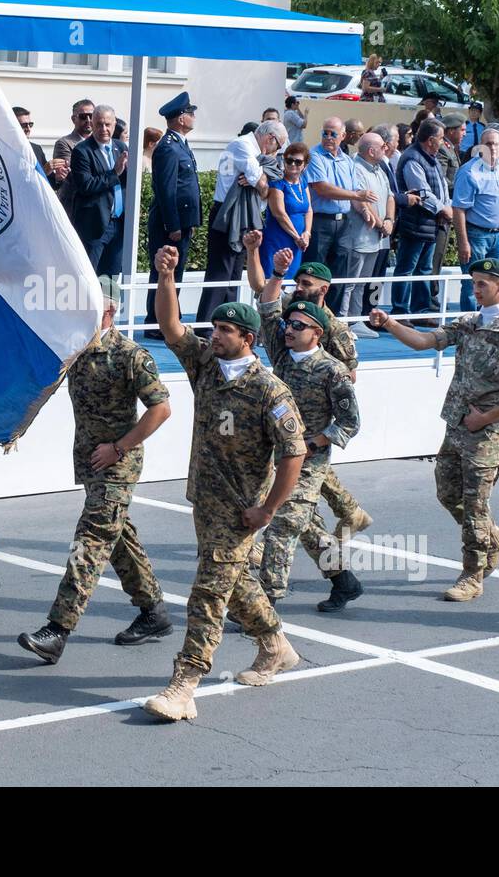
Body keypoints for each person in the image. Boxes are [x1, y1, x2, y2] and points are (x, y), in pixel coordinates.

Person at [142, 247, 306, 722]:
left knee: (208, 591)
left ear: (248, 339)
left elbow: (295, 452)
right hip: (205, 500)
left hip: (242, 509)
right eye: (214, 329)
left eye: (225, 331)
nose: (215, 336)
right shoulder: (206, 365)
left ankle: (184, 683)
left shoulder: (270, 390)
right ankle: (275, 644)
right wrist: (167, 277)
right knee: (234, 584)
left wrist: (268, 510)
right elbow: (171, 328)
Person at [17, 277, 173, 663]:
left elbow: (161, 409)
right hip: (90, 460)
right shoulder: (76, 349)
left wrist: (120, 447)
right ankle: (153, 610)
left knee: (90, 541)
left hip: (118, 464)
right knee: (118, 536)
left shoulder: (130, 356)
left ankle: (57, 630)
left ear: (109, 310)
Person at [368, 259, 499, 602]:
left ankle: (473, 575)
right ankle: (492, 536)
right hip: (458, 423)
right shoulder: (469, 323)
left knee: (475, 504)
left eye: (482, 284)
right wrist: (389, 323)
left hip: (486, 432)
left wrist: (485, 420)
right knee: (447, 494)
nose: (475, 289)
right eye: (473, 283)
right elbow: (423, 341)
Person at [254, 254, 364, 612]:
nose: (289, 329)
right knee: (308, 526)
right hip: (276, 455)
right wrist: (276, 271)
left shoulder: (333, 372)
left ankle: (266, 601)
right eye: (289, 324)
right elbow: (268, 305)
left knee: (284, 523)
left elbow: (350, 423)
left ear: (317, 333)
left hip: (309, 461)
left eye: (298, 326)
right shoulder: (282, 356)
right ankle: (344, 582)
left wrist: (314, 441)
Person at [242, 253, 375, 543]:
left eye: (305, 283)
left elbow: (349, 375)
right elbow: (262, 296)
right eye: (297, 282)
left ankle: (347, 516)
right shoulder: (292, 308)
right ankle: (348, 520)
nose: (299, 288)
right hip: (286, 415)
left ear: (323, 289)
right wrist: (257, 254)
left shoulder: (335, 330)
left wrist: (317, 374)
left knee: (297, 486)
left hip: (315, 416)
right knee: (297, 495)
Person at [195, 119, 280, 325]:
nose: (276, 151)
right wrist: (259, 179)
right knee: (220, 272)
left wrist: (260, 178)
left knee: (234, 274)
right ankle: (206, 325)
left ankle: (228, 322)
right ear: (270, 138)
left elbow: (272, 176)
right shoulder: (242, 145)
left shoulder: (251, 149)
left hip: (243, 215)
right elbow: (260, 182)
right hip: (228, 214)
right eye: (278, 145)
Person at [143, 92, 200, 337]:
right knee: (164, 272)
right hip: (170, 225)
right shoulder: (168, 148)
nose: (193, 117)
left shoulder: (180, 145)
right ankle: (156, 322)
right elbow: (166, 190)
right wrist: (173, 225)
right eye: (190, 113)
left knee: (176, 272)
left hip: (182, 222)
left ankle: (168, 317)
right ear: (179, 119)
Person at [306, 116, 373, 305]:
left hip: (343, 223)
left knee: (339, 275)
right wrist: (357, 197)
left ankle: (332, 321)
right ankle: (309, 315)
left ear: (343, 136)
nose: (328, 137)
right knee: (315, 272)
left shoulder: (347, 161)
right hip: (320, 221)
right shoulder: (314, 156)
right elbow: (323, 189)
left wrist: (364, 211)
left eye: (332, 133)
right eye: (324, 133)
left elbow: (355, 193)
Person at [391, 117, 450, 324]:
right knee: (406, 269)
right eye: (441, 138)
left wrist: (445, 206)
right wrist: (443, 209)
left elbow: (439, 188)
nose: (443, 142)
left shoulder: (429, 157)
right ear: (431, 139)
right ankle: (400, 312)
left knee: (424, 268)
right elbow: (422, 193)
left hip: (429, 224)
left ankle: (420, 311)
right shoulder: (413, 158)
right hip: (415, 222)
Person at [451, 127, 499, 313]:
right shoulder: (469, 171)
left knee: (497, 283)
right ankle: (469, 326)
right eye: (488, 144)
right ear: (480, 147)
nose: (492, 148)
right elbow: (458, 209)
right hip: (476, 235)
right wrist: (463, 242)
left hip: (498, 236)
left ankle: (492, 322)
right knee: (473, 285)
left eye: (496, 144)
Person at [342, 131, 395, 332]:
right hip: (360, 237)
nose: (386, 148)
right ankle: (344, 323)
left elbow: (390, 196)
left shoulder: (380, 168)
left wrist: (389, 220)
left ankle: (356, 321)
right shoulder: (356, 170)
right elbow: (360, 201)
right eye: (383, 146)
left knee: (363, 283)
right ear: (371, 151)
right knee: (350, 283)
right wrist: (382, 224)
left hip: (377, 239)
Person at [69, 103, 129, 277]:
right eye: (99, 124)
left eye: (108, 124)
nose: (104, 129)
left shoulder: (121, 147)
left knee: (111, 278)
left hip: (119, 223)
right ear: (93, 125)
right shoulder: (82, 151)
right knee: (90, 277)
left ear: (114, 123)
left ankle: (110, 305)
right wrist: (114, 173)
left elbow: (126, 184)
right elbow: (86, 186)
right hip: (95, 225)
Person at [258, 142, 311, 277]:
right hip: (278, 239)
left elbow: (309, 209)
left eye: (298, 162)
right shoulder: (277, 183)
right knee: (272, 280)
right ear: (284, 161)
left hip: (297, 242)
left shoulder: (303, 182)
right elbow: (279, 213)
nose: (293, 165)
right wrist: (297, 237)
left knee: (290, 283)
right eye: (289, 160)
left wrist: (307, 233)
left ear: (305, 165)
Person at [51, 98, 95, 218]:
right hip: (74, 205)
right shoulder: (64, 143)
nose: (88, 120)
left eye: (91, 116)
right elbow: (74, 173)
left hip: (97, 205)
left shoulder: (101, 143)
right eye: (83, 116)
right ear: (73, 119)